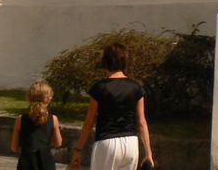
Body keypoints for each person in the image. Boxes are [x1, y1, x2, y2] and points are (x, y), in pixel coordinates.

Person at [70, 42, 155, 170]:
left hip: (106, 142)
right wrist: (148, 153)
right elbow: (142, 122)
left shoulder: (100, 87)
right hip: (131, 142)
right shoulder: (136, 87)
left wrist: (78, 149)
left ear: (105, 62)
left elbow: (89, 123)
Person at [11, 80, 62, 170]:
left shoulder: (21, 119)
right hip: (46, 163)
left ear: (29, 98)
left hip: (27, 164)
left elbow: (14, 147)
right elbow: (58, 143)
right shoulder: (53, 119)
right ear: (49, 98)